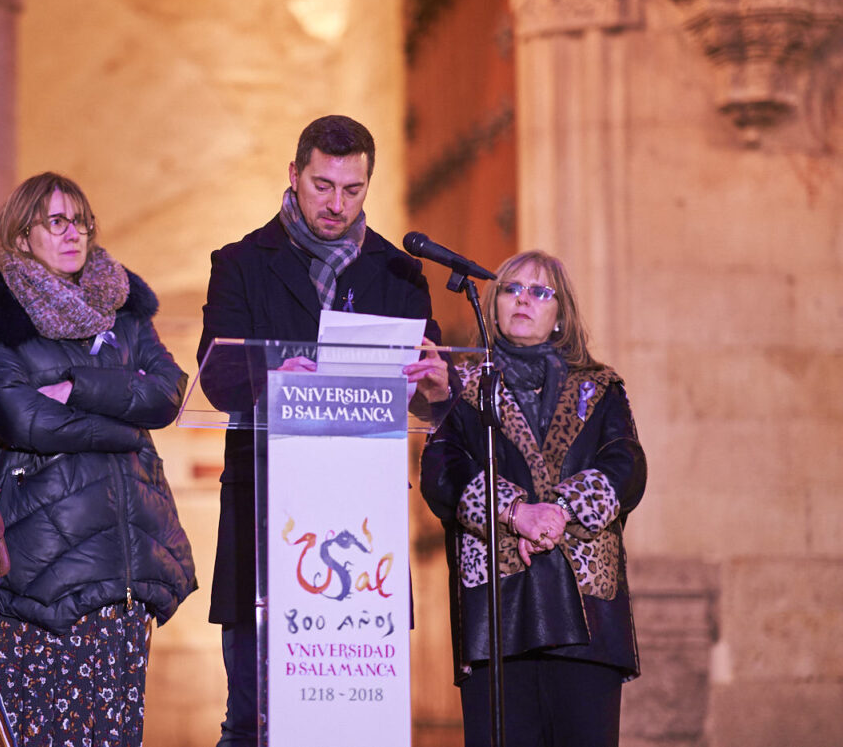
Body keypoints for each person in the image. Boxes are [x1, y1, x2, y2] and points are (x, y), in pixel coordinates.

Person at [197, 114, 453, 747]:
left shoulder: (399, 273)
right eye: (322, 186)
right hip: (267, 514)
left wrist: (439, 389)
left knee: (356, 725)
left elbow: (427, 389)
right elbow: (216, 375)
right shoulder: (241, 263)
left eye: (352, 189)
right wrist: (272, 376)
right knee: (253, 721)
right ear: (294, 174)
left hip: (362, 526)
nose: (337, 204)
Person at [0, 172, 197, 747]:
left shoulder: (125, 311)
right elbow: (22, 418)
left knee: (111, 729)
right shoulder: (0, 317)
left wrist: (80, 387)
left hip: (127, 555)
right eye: (57, 222)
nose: (73, 234)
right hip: (43, 557)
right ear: (22, 234)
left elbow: (168, 392)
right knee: (31, 726)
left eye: (81, 222)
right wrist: (127, 426)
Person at [419, 249, 647, 747]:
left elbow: (627, 467)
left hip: (587, 614)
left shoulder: (601, 388)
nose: (524, 299)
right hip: (497, 615)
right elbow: (442, 474)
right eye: (512, 289)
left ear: (561, 314)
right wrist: (515, 512)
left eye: (541, 292)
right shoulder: (462, 387)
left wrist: (559, 512)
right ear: (494, 305)